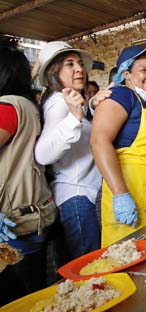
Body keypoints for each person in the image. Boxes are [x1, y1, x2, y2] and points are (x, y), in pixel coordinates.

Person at [90, 45, 146, 247]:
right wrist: (120, 194)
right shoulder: (121, 95)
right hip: (129, 189)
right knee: (126, 258)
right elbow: (99, 140)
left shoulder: (143, 102)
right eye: (144, 70)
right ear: (126, 74)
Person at [0, 37, 56, 305]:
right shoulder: (27, 105)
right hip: (33, 218)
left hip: (12, 228)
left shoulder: (7, 108)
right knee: (34, 297)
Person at [34, 41, 101, 262]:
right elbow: (43, 154)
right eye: (69, 64)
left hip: (77, 196)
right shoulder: (59, 103)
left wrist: (90, 107)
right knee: (87, 269)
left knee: (75, 268)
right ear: (54, 72)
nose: (80, 69)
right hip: (76, 197)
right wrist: (74, 118)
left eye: (80, 64)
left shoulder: (69, 100)